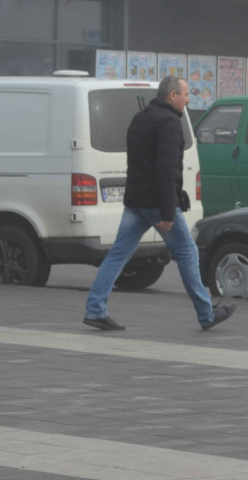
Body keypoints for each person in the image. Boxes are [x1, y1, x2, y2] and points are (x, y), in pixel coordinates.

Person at [83, 76, 236, 332]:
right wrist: (168, 211)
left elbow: (136, 164)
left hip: (136, 201)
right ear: (172, 96)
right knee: (188, 253)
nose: (189, 99)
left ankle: (95, 310)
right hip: (157, 202)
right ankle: (206, 313)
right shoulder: (169, 124)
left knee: (118, 254)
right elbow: (166, 170)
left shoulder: (139, 119)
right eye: (186, 94)